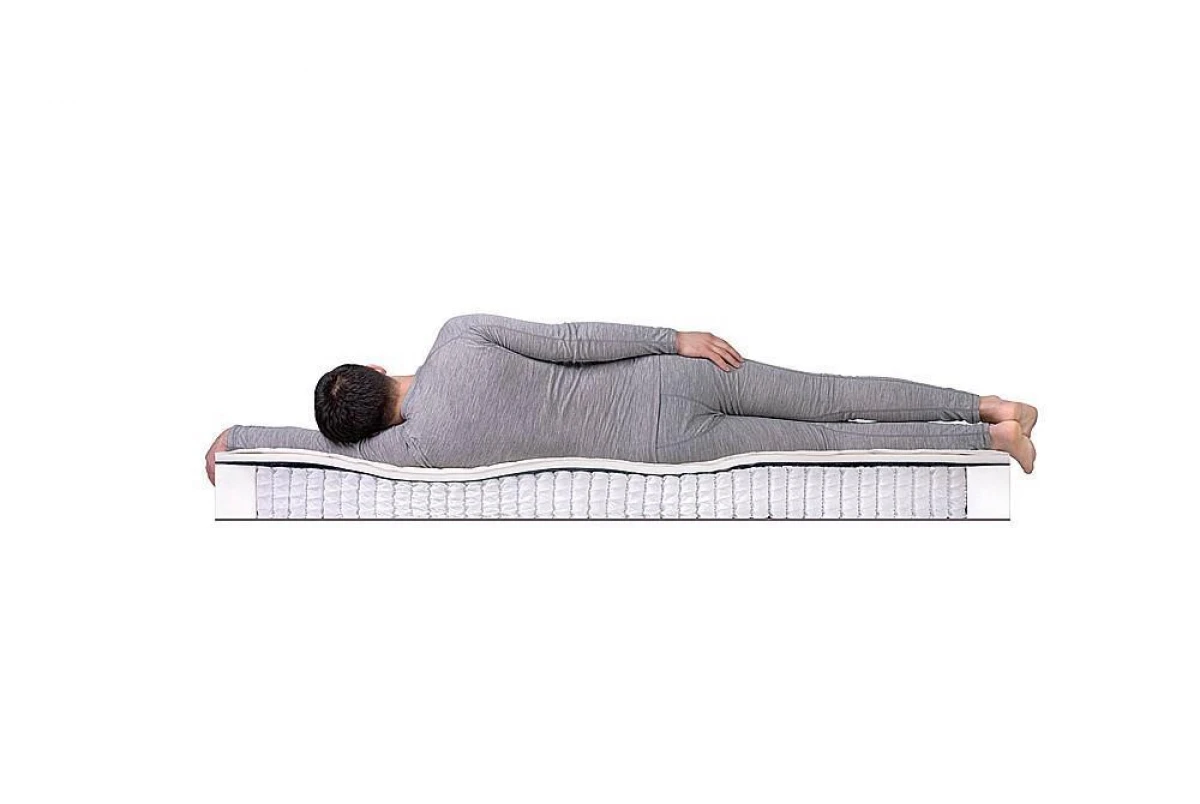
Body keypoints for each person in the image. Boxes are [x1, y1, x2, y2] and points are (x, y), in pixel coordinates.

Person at [205, 314, 1037, 482]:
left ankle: (994, 445)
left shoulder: (414, 451)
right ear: (375, 365)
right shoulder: (458, 339)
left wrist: (239, 439)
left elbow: (324, 451)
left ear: (367, 430)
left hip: (662, 448)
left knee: (827, 445)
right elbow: (574, 339)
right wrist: (674, 339)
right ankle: (989, 407)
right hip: (669, 376)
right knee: (831, 397)